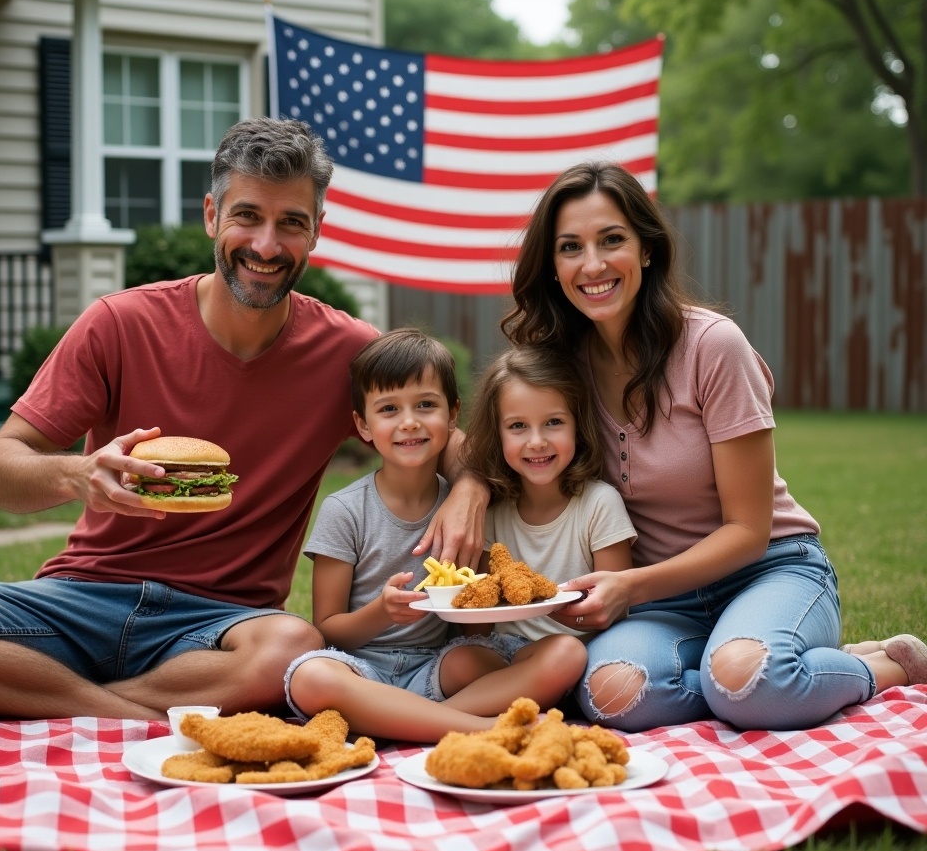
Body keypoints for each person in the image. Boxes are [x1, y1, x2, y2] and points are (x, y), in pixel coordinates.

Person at [0, 118, 482, 725]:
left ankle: (39, 700)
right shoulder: (120, 324)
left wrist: (469, 486)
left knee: (292, 646)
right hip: (80, 599)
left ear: (316, 232)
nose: (265, 245)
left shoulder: (347, 353)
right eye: (247, 216)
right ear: (211, 215)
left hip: (220, 627)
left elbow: (442, 435)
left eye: (291, 223)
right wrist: (78, 474)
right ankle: (136, 713)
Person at [499, 160, 927, 732]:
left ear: (646, 249)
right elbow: (498, 442)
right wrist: (470, 491)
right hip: (665, 604)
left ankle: (876, 666)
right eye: (570, 247)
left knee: (751, 686)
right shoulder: (560, 368)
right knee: (611, 698)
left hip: (769, 570)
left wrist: (629, 586)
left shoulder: (712, 346)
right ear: (552, 266)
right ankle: (740, 668)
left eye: (612, 240)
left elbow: (748, 530)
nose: (593, 264)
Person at [285, 329, 588, 742]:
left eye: (426, 405)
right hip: (362, 670)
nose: (409, 421)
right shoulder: (344, 510)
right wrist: (381, 612)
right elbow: (328, 629)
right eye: (389, 409)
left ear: (452, 414)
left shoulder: (467, 511)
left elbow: (473, 626)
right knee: (311, 676)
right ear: (363, 424)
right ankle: (477, 727)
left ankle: (410, 720)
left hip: (439, 667)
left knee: (567, 654)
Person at [460, 346, 636, 650]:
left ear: (577, 427)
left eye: (554, 422)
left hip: (577, 650)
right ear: (497, 434)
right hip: (501, 651)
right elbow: (481, 621)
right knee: (462, 658)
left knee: (561, 655)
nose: (537, 442)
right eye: (518, 426)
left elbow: (614, 612)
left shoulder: (598, 505)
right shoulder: (492, 512)